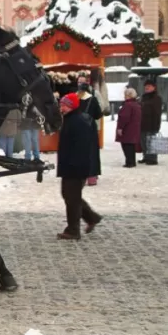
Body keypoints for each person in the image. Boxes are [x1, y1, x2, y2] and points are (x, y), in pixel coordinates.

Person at [56, 93, 102, 240]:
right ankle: (91, 217)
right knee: (70, 196)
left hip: (76, 167)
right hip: (70, 166)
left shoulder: (78, 121)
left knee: (72, 198)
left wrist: (75, 166)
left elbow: (82, 147)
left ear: (71, 106)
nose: (61, 107)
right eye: (61, 104)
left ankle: (73, 230)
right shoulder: (71, 119)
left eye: (64, 105)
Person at [77, 76, 103, 185]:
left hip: (77, 128)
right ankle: (92, 177)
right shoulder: (93, 99)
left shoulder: (74, 98)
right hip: (90, 128)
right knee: (92, 152)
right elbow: (98, 114)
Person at [115, 87, 142, 167]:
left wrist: (120, 128)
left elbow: (124, 117)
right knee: (131, 146)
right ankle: (132, 161)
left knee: (126, 145)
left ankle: (129, 162)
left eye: (125, 95)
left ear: (128, 95)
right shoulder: (136, 104)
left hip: (127, 129)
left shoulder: (127, 105)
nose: (124, 96)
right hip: (134, 128)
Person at [139, 79, 163, 165]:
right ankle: (146, 157)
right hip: (143, 123)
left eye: (149, 86)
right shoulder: (143, 97)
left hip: (152, 123)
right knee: (143, 142)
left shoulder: (157, 98)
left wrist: (156, 125)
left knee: (151, 141)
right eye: (145, 86)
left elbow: (157, 112)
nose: (147, 87)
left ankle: (152, 159)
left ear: (154, 87)